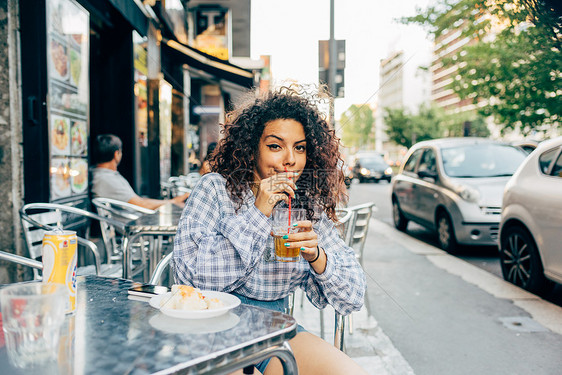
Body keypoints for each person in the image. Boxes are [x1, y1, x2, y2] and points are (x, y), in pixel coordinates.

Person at [173, 87, 367, 375]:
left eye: (299, 148)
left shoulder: (305, 204)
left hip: (271, 331)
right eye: (276, 146)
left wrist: (318, 257)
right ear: (251, 148)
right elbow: (192, 275)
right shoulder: (214, 189)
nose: (290, 159)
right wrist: (258, 213)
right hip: (208, 331)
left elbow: (353, 296)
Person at [91, 134, 189, 210]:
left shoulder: (100, 174)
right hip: (134, 226)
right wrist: (172, 202)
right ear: (117, 154)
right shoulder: (107, 179)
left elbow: (139, 201)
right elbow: (142, 204)